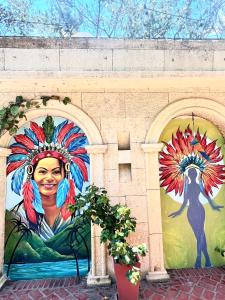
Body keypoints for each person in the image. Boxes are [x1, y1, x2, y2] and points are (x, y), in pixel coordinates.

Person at [7, 116, 89, 241]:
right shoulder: (18, 215)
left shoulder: (79, 213)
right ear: (31, 174)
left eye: (56, 172)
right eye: (42, 172)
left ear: (65, 174)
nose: (49, 178)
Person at [169, 168, 223, 268]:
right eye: (191, 173)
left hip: (198, 210)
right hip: (192, 211)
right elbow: (185, 201)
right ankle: (207, 259)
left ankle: (198, 260)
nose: (192, 174)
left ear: (195, 174)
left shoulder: (197, 185)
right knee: (200, 235)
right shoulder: (188, 186)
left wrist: (214, 206)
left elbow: (207, 197)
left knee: (200, 234)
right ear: (189, 175)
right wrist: (178, 212)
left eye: (193, 173)